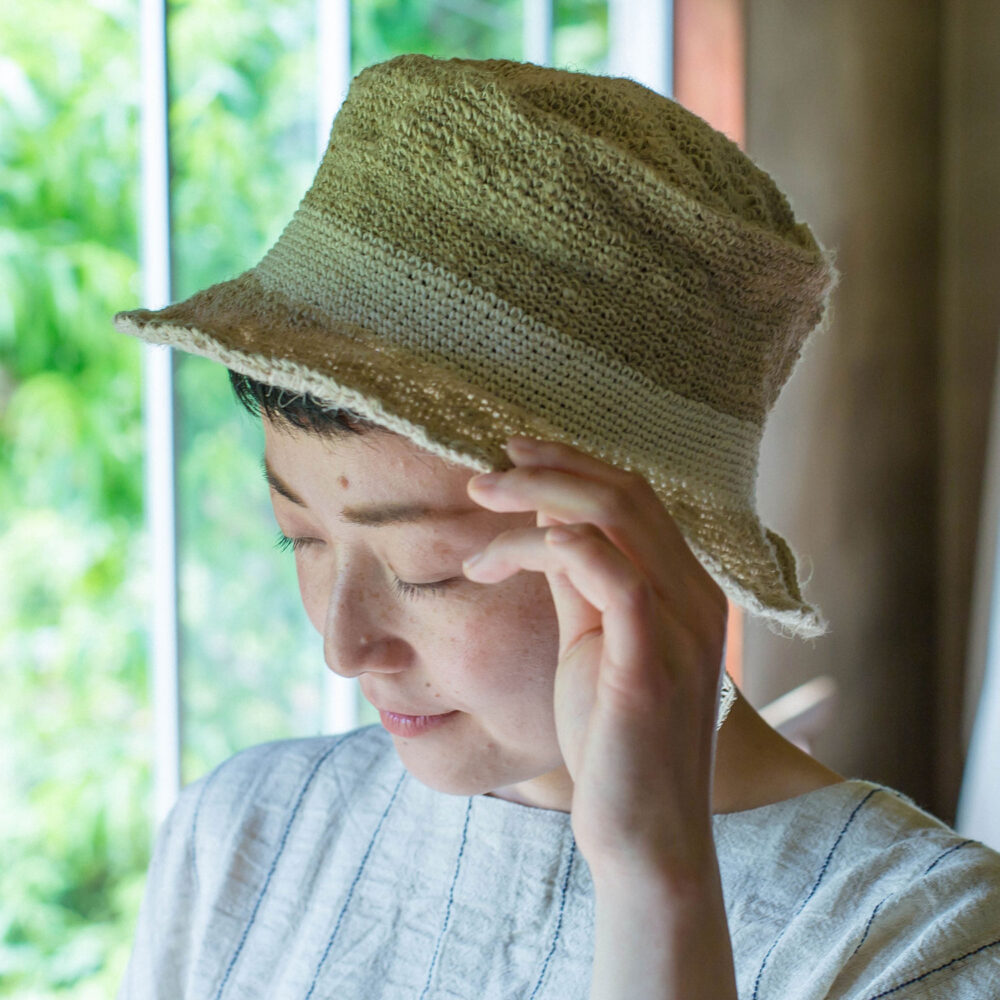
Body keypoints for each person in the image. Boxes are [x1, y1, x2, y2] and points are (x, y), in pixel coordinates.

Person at [112, 54, 1000, 998]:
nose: (344, 647)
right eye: (301, 536)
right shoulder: (244, 839)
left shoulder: (921, 942)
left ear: (659, 544)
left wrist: (654, 877)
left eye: (428, 568)